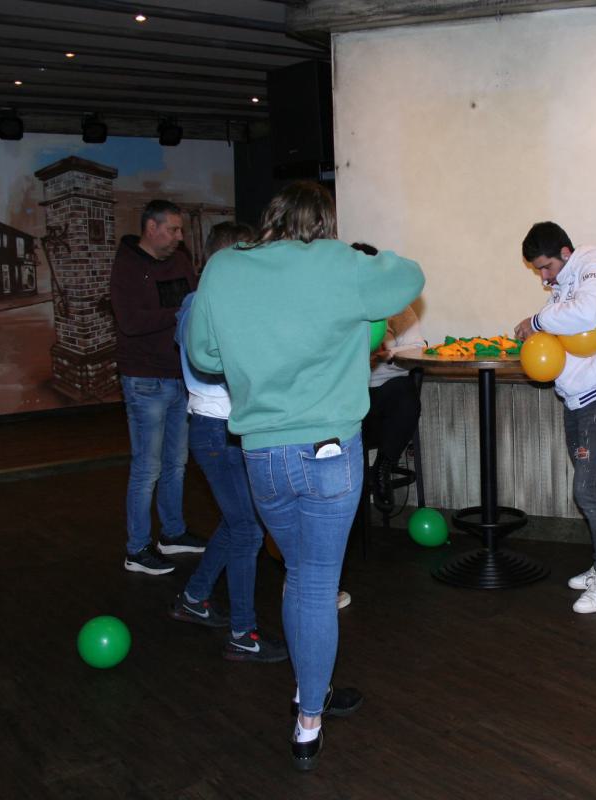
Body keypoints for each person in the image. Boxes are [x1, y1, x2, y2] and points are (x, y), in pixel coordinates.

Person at [186, 181, 424, 771]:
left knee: (299, 576)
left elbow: (204, 357)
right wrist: (363, 258)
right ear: (324, 224)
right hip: (330, 455)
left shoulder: (224, 267)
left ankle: (309, 687)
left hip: (263, 457)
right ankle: (309, 719)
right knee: (316, 584)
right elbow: (409, 277)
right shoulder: (339, 263)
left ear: (270, 218)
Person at [169, 221, 287, 663]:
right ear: (226, 260)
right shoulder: (199, 308)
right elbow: (211, 366)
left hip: (229, 430)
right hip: (215, 431)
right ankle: (242, 633)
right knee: (247, 529)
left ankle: (194, 597)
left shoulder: (215, 303)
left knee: (240, 520)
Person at [513, 221, 596, 614]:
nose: (544, 277)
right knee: (595, 488)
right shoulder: (564, 284)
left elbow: (590, 313)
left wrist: (536, 321)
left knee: (587, 491)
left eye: (546, 267)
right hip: (578, 401)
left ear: (565, 253)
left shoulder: (592, 267)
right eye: (538, 271)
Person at [112, 199, 206, 576]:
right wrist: (180, 312)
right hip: (144, 379)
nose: (179, 236)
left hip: (179, 375)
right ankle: (137, 548)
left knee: (176, 464)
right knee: (147, 467)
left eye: (180, 229)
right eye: (173, 229)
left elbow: (195, 302)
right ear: (151, 228)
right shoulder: (127, 266)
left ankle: (172, 533)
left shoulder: (180, 261)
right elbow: (130, 322)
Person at [354, 243, 426, 513]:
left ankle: (383, 466)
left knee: (404, 393)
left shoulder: (397, 308)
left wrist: (386, 354)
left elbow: (417, 350)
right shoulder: (340, 307)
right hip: (351, 401)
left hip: (386, 400)